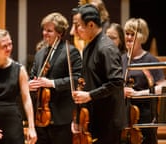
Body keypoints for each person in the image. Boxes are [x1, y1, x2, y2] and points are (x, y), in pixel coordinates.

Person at [70, 4, 127, 144]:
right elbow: (88, 81)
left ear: (90, 25)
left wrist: (89, 95)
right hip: (94, 119)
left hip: (108, 122)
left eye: (78, 26)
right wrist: (78, 118)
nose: (74, 32)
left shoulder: (106, 48)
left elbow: (117, 82)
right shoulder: (90, 46)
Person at [29, 12, 82, 144]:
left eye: (49, 31)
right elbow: (33, 75)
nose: (45, 33)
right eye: (44, 30)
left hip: (60, 117)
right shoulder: (40, 54)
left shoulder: (70, 51)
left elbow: (76, 79)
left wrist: (51, 83)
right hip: (40, 116)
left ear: (59, 33)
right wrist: (31, 84)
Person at [0, 29, 37, 144]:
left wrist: (31, 127)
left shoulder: (20, 70)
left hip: (13, 123)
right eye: (4, 46)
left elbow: (26, 99)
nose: (9, 48)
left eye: (10, 44)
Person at [122, 18, 165, 144]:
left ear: (140, 37)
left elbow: (162, 87)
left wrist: (138, 93)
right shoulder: (121, 59)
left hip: (145, 116)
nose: (129, 37)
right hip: (124, 116)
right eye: (127, 33)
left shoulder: (151, 60)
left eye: (132, 34)